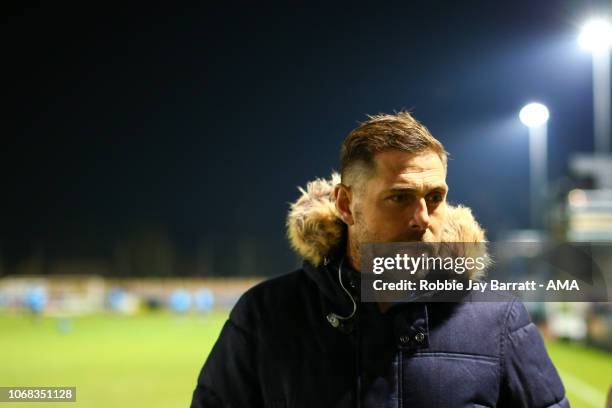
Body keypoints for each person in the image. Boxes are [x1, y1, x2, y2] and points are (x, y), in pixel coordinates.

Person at [190, 111, 568, 407]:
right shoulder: (266, 315)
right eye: (399, 198)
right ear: (345, 204)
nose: (422, 218)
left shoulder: (498, 319)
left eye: (434, 197)